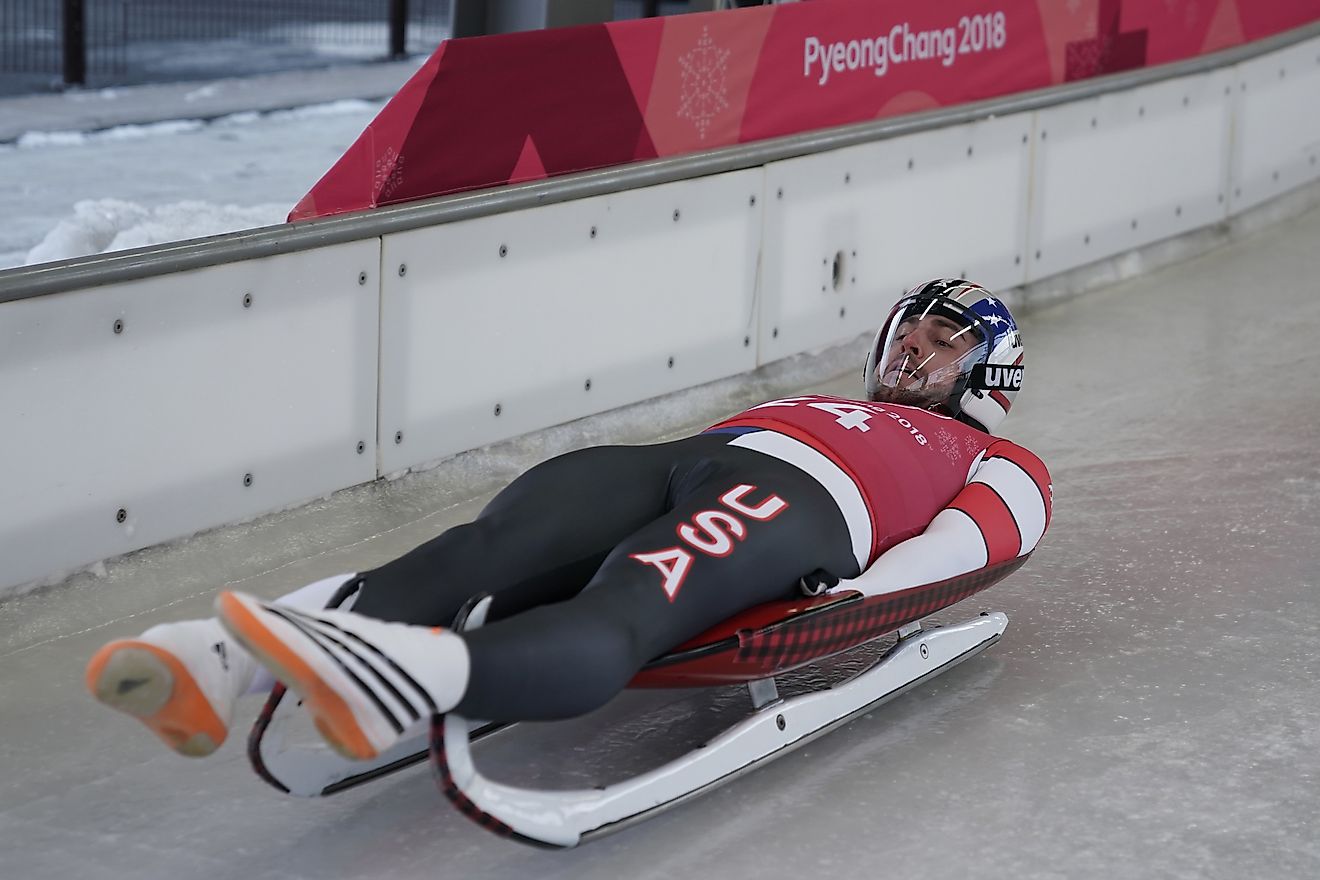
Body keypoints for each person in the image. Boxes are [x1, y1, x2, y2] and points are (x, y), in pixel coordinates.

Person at [86, 278, 1051, 762]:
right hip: (685, 459)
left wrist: (860, 601)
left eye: (940, 347)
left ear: (985, 380)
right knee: (486, 549)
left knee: (627, 604)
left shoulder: (997, 460)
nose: (911, 357)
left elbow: (963, 547)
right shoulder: (832, 401)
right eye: (908, 336)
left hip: (798, 508)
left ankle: (405, 680)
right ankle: (222, 661)